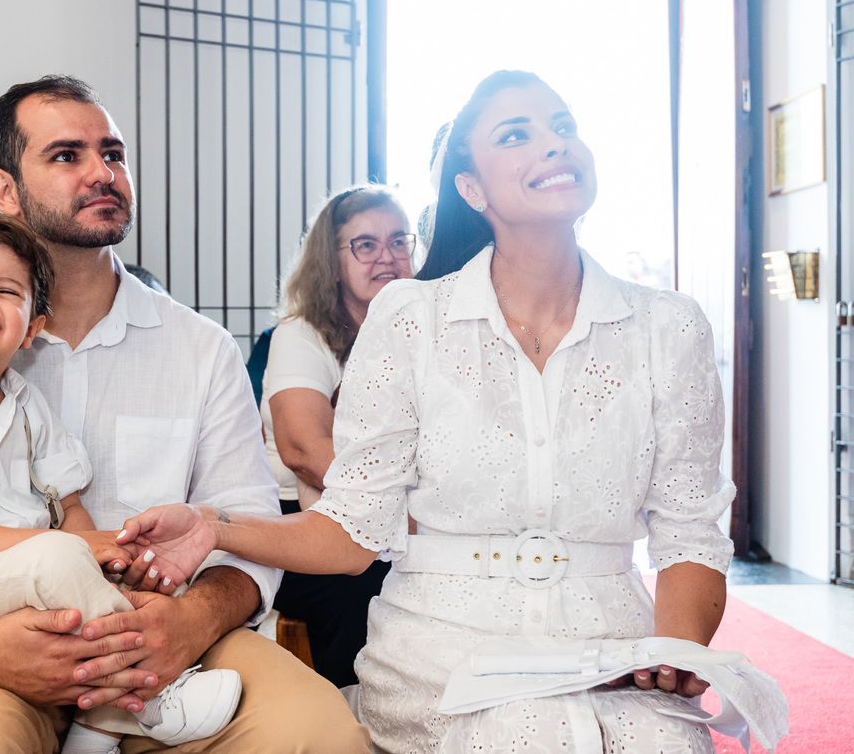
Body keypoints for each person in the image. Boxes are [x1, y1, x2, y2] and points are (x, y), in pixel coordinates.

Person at [117, 70, 736, 753]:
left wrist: (676, 650)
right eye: (516, 135)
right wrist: (214, 525)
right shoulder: (411, 318)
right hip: (444, 653)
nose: (556, 146)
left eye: (564, 127)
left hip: (612, 646)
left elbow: (689, 536)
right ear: (471, 188)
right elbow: (352, 530)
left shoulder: (669, 326)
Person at [0, 75, 372, 754]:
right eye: (67, 155)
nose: (104, 172)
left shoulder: (200, 349)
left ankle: (137, 705)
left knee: (318, 734)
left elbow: (247, 524)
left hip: (172, 647)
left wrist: (185, 626)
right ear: (5, 189)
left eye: (114, 153)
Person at [0, 213, 242, 753]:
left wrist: (101, 555)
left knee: (114, 576)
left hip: (37, 571)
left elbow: (70, 500)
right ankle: (151, 692)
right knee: (61, 560)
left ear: (32, 328)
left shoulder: (27, 404)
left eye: (7, 291)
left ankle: (96, 728)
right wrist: (73, 547)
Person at [260, 185, 412, 687]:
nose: (386, 257)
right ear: (332, 260)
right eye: (365, 245)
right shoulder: (301, 335)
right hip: (300, 519)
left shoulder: (428, 329)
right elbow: (303, 451)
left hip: (402, 516)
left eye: (398, 241)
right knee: (368, 593)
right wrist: (399, 510)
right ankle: (357, 722)